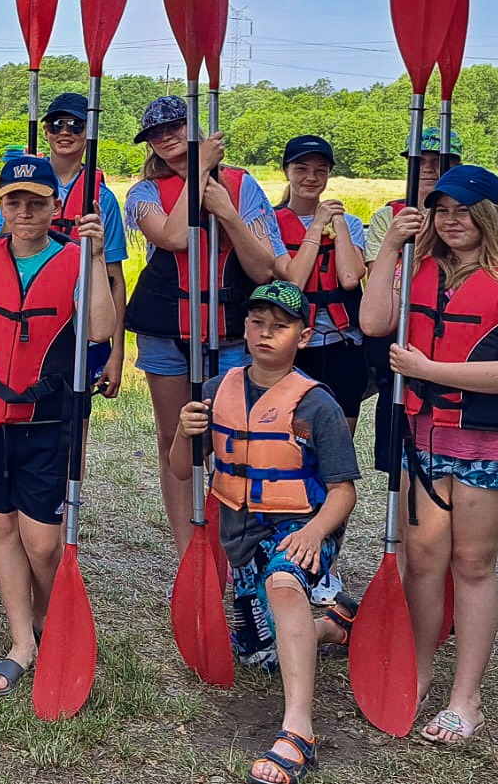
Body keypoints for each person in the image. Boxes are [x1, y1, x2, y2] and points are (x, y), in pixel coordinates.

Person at [360, 164, 498, 744]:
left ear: (488, 215)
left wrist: (427, 369)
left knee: (471, 564)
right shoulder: (418, 266)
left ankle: (466, 699)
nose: (451, 221)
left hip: (487, 441)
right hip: (423, 434)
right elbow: (374, 320)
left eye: (464, 211)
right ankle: (418, 674)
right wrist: (393, 245)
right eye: (441, 211)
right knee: (421, 561)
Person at [0, 154, 111, 697]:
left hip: (48, 423)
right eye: (15, 202)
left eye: (37, 202)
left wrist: (97, 257)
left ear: (54, 206)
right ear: (2, 207)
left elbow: (100, 329)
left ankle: (55, 622)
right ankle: (22, 642)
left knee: (43, 543)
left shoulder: (76, 259)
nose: (25, 212)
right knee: (2, 528)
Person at [177, 281, 359, 784]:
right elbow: (178, 470)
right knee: (261, 655)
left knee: (283, 585)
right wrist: (182, 433)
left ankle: (298, 731)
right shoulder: (217, 391)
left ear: (302, 337)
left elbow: (344, 491)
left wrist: (316, 530)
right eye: (258, 323)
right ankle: (334, 625)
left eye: (280, 327)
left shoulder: (316, 405)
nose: (266, 334)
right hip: (243, 531)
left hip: (303, 525)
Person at [124, 95, 287, 562]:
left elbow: (262, 270)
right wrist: (198, 171)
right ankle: (186, 551)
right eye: (156, 133)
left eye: (177, 126)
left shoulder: (240, 185)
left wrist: (228, 212)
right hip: (167, 333)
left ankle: (237, 544)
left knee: (238, 440)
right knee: (176, 436)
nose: (167, 136)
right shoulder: (144, 193)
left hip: (231, 330)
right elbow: (174, 238)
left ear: (194, 126)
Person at [0, 93, 127, 404]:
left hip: (80, 323)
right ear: (46, 131)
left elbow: (114, 279)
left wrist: (117, 353)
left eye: (76, 124)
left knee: (73, 421)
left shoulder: (102, 198)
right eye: (57, 124)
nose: (66, 131)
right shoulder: (20, 185)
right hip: (28, 318)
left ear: (89, 132)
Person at [363, 126, 463, 471]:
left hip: (447, 331)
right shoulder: (387, 217)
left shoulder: (465, 219)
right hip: (398, 328)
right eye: (422, 161)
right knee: (396, 416)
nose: (430, 169)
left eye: (440, 162)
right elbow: (380, 276)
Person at [274, 136, 370, 436]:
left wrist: (338, 223)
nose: (311, 178)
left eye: (321, 170)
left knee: (338, 440)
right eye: (302, 169)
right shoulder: (270, 222)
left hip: (343, 344)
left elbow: (351, 278)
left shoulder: (349, 223)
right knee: (293, 440)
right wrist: (316, 226)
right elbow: (295, 282)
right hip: (294, 346)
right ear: (286, 171)